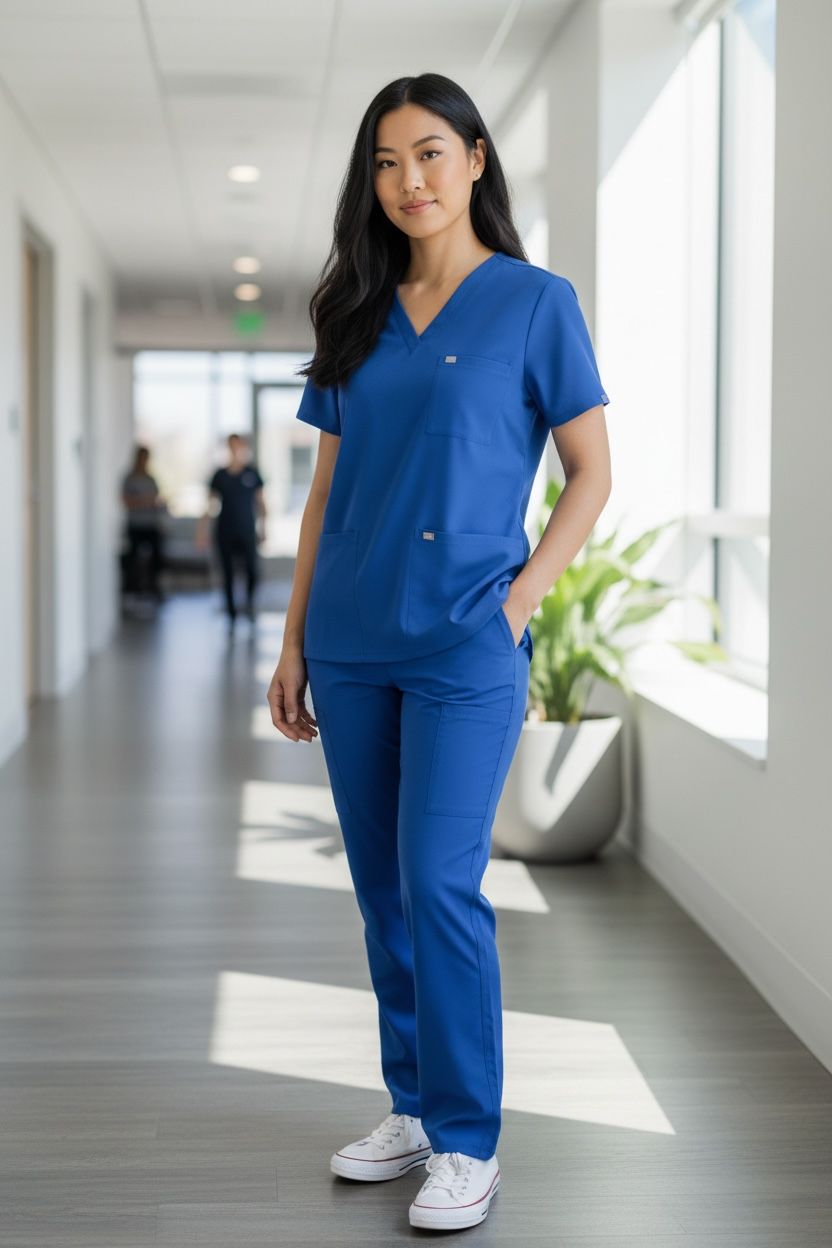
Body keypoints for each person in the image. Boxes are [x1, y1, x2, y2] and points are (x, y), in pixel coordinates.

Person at [267, 73, 612, 1233]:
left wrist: (515, 608)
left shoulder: (534, 302)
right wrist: (293, 640)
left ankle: (467, 1139)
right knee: (381, 894)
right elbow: (323, 493)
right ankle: (412, 1108)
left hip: (467, 644)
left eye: (426, 154)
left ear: (472, 159)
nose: (405, 180)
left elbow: (590, 474)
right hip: (353, 641)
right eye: (382, 161)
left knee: (440, 882)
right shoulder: (352, 311)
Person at [198, 434, 266, 628]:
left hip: (247, 530)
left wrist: (264, 528)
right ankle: (231, 614)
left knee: (252, 571)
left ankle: (250, 606)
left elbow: (261, 503)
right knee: (227, 573)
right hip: (225, 530)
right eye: (232, 446)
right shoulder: (219, 475)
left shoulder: (252, 474)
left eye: (239, 446)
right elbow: (210, 504)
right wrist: (202, 530)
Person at [121, 445, 165, 600]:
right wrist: (144, 500)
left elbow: (156, 500)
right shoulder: (130, 478)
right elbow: (126, 501)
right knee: (133, 559)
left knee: (157, 557)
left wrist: (148, 501)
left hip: (151, 524)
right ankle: (133, 591)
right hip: (135, 525)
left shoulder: (151, 479)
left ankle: (153, 589)